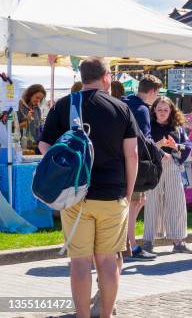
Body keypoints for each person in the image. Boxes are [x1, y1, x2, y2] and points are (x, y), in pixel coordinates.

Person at [39, 57, 139, 318]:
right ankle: (105, 315)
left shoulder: (64, 105)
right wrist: (128, 194)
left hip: (75, 196)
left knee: (80, 263)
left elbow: (44, 145)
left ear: (81, 77)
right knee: (107, 261)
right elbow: (132, 155)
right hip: (112, 195)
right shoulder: (121, 108)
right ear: (106, 76)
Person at [123, 74, 166, 260]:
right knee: (134, 204)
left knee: (133, 204)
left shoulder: (125, 103)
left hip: (121, 161)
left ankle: (127, 243)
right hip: (135, 163)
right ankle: (130, 245)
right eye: (156, 94)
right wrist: (160, 153)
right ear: (151, 91)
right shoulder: (141, 109)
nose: (156, 98)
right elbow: (144, 141)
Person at [144, 96, 192, 254]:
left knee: (177, 202)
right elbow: (145, 144)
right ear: (154, 110)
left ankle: (178, 241)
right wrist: (159, 147)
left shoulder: (177, 128)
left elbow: (187, 146)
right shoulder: (149, 126)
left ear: (171, 110)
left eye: (166, 109)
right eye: (159, 109)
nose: (162, 112)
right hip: (154, 167)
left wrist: (175, 146)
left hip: (172, 165)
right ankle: (148, 242)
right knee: (152, 203)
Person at [17, 84, 46, 151]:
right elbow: (14, 128)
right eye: (37, 97)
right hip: (21, 147)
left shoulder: (37, 109)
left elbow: (38, 128)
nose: (38, 101)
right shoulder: (18, 107)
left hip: (34, 147)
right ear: (30, 94)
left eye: (40, 99)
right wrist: (27, 120)